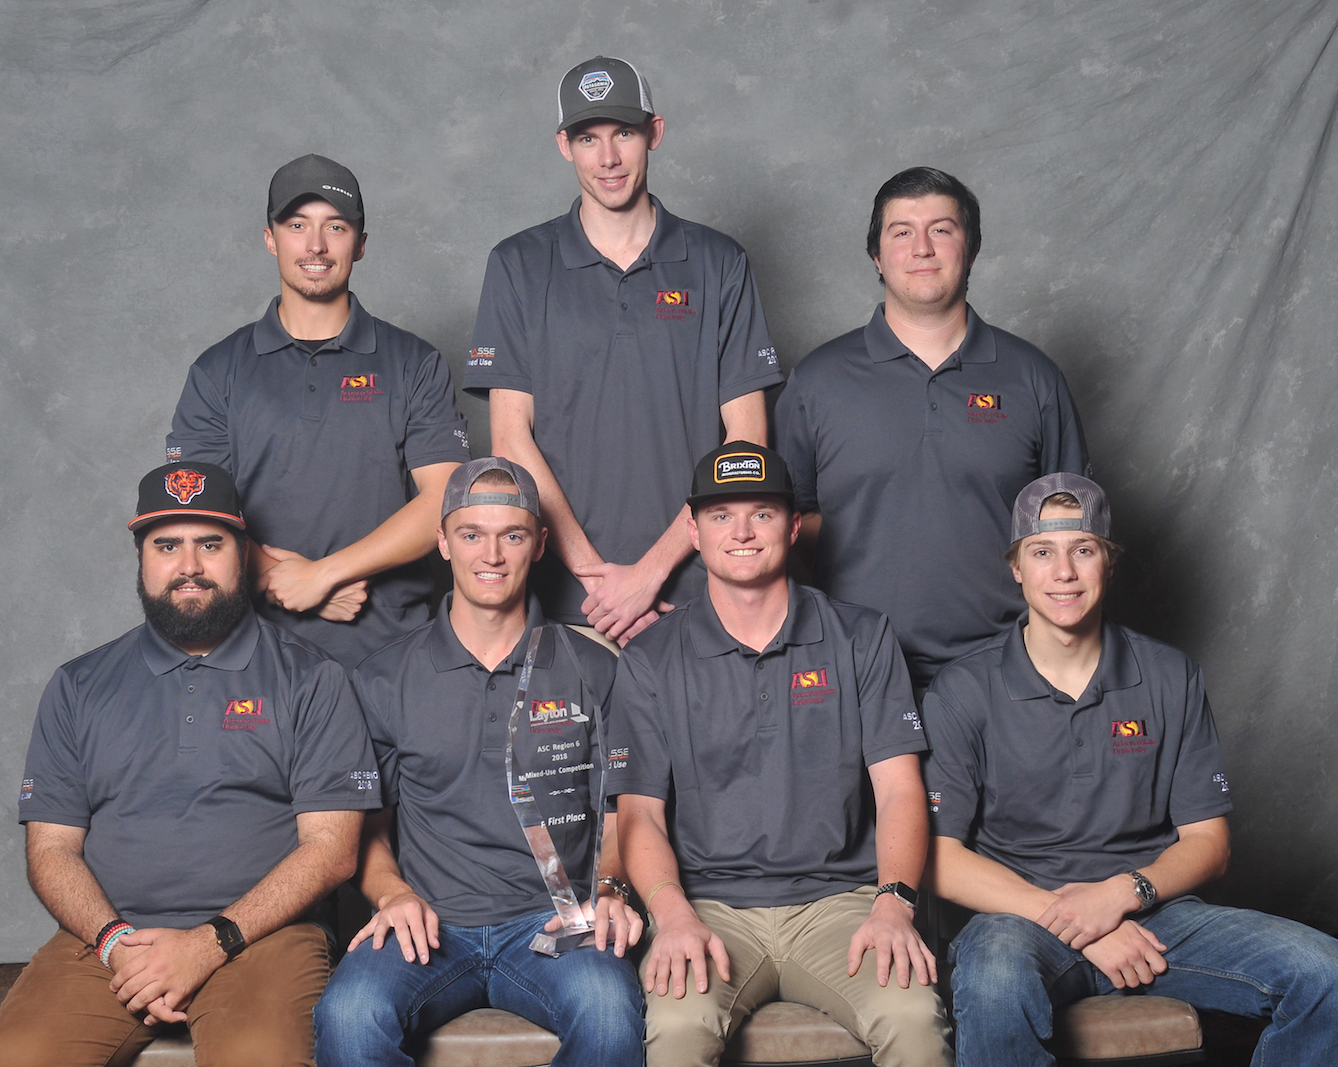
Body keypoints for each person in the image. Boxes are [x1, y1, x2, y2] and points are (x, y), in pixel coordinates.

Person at [922, 472, 1338, 1067]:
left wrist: (1122, 895)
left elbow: (1211, 844)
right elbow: (939, 857)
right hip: (1016, 918)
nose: (1064, 572)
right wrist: (1084, 921)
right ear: (1016, 568)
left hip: (1156, 915)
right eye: (1042, 552)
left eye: (1083, 550)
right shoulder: (962, 688)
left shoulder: (1169, 675)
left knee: (1330, 973)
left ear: (1108, 563)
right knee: (994, 981)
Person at [0, 462, 379, 1067]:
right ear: (142, 558)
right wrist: (116, 944)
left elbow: (332, 849)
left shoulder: (312, 678)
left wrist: (208, 944)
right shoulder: (79, 685)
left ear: (242, 555)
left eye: (209, 544)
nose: (188, 565)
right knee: (15, 1059)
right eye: (167, 546)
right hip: (112, 941)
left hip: (262, 940)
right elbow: (51, 850)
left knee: (259, 1059)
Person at [609, 442, 954, 1067]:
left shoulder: (860, 636)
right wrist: (672, 915)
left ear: (793, 526)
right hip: (709, 906)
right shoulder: (651, 657)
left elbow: (900, 790)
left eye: (762, 513)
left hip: (841, 904)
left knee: (913, 1017)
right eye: (720, 516)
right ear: (692, 529)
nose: (741, 532)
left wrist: (894, 901)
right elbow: (639, 815)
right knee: (677, 1026)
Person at [313, 457, 645, 1067]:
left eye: (511, 535)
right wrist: (391, 896)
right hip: (429, 929)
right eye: (471, 534)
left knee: (608, 1010)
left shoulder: (593, 667)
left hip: (556, 926)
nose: (490, 554)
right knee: (349, 1016)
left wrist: (608, 888)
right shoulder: (384, 676)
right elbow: (364, 828)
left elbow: (620, 809)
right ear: (443, 542)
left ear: (539, 544)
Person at [463, 56, 784, 647]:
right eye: (588, 138)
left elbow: (746, 446)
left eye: (624, 134)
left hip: (696, 596)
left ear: (654, 134)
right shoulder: (518, 265)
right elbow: (510, 440)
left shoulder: (719, 263)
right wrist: (601, 583)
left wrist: (651, 573)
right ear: (565, 145)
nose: (608, 158)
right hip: (568, 604)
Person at [775, 167, 1090, 691]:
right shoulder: (817, 381)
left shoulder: (1032, 378)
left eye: (942, 229)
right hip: (857, 670)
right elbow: (787, 523)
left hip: (1009, 670)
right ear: (877, 254)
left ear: (972, 248)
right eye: (901, 232)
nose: (922, 247)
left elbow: (1072, 530)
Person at [169, 153, 470, 668]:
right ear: (270, 238)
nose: (315, 246)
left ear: (361, 243)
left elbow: (447, 499)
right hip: (253, 659)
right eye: (296, 225)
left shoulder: (413, 363)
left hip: (392, 656)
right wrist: (276, 577)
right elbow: (192, 511)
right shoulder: (217, 371)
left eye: (335, 226)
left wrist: (325, 574)